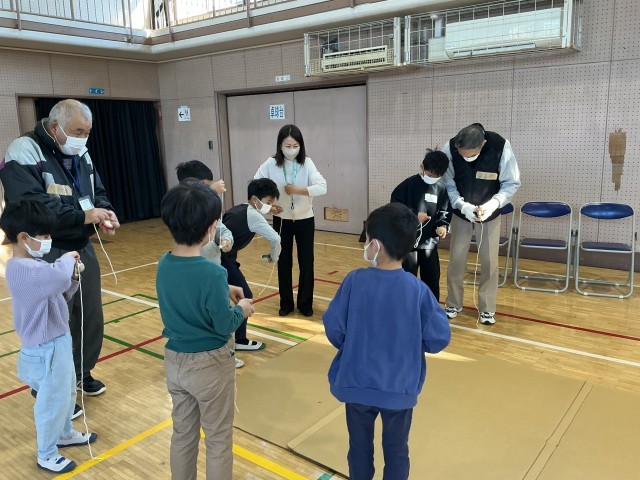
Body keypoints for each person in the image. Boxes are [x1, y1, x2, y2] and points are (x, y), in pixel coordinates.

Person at [0, 99, 119, 409]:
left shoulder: (81, 152)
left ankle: (80, 372)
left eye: (88, 132)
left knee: (89, 316)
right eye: (78, 131)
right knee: (53, 323)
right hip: (45, 250)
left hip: (80, 245)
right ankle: (49, 387)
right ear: (55, 127)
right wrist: (82, 215)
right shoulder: (24, 150)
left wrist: (104, 212)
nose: (83, 138)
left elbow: (97, 192)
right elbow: (31, 204)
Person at [323, 202, 451, 480]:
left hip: (356, 383)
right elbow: (438, 339)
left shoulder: (354, 281)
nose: (365, 244)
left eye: (367, 239)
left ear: (376, 245)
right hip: (399, 388)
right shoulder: (418, 290)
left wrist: (353, 345)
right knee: (397, 451)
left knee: (359, 449)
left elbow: (334, 328)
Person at [156, 182, 254, 480]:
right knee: (218, 439)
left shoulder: (164, 263)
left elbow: (187, 286)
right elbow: (224, 324)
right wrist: (242, 310)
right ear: (212, 227)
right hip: (210, 365)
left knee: (183, 434)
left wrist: (223, 288)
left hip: (175, 361)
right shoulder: (213, 272)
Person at [0, 200, 98, 474]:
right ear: (23, 237)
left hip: (58, 340)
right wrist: (67, 260)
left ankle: (64, 433)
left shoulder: (37, 265)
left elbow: (60, 293)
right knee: (52, 401)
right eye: (43, 235)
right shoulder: (21, 269)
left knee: (66, 393)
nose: (48, 240)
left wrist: (73, 278)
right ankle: (46, 453)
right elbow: (55, 278)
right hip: (46, 348)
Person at [440, 123, 521, 325]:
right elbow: (447, 182)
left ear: (483, 144)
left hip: (489, 213)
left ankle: (487, 308)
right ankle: (453, 303)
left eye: (471, 155)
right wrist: (462, 205)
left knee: (489, 262)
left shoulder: (501, 147)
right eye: (462, 155)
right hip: (461, 212)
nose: (466, 158)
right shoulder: (449, 147)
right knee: (456, 259)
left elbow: (511, 183)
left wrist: (493, 204)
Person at [254, 124, 327, 317]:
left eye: (295, 146)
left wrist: (298, 190)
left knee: (307, 262)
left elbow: (322, 187)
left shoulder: (307, 163)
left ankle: (305, 303)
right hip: (281, 221)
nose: (291, 150)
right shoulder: (270, 164)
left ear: (301, 146)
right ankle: (286, 302)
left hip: (305, 219)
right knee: (283, 262)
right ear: (280, 145)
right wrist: (268, 208)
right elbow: (254, 188)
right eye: (287, 146)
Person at [220, 178, 282, 351]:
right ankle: (239, 340)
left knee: (228, 295)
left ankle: (229, 339)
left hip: (223, 258)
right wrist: (274, 257)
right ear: (255, 199)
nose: (270, 206)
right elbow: (276, 239)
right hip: (221, 260)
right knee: (244, 295)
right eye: (268, 202)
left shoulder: (240, 208)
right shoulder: (254, 216)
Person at [390, 149, 451, 301]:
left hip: (429, 243)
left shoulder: (441, 188)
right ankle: (405, 305)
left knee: (432, 278)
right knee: (407, 278)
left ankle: (431, 307)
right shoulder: (408, 185)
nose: (432, 178)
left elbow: (445, 211)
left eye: (436, 176)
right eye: (430, 174)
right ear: (422, 167)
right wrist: (414, 215)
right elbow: (395, 206)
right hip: (408, 242)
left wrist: (442, 225)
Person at [176, 161, 233, 266]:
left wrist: (226, 240)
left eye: (207, 187)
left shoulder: (208, 207)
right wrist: (211, 191)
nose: (206, 190)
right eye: (204, 186)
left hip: (213, 264)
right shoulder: (180, 207)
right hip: (191, 266)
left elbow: (219, 228)